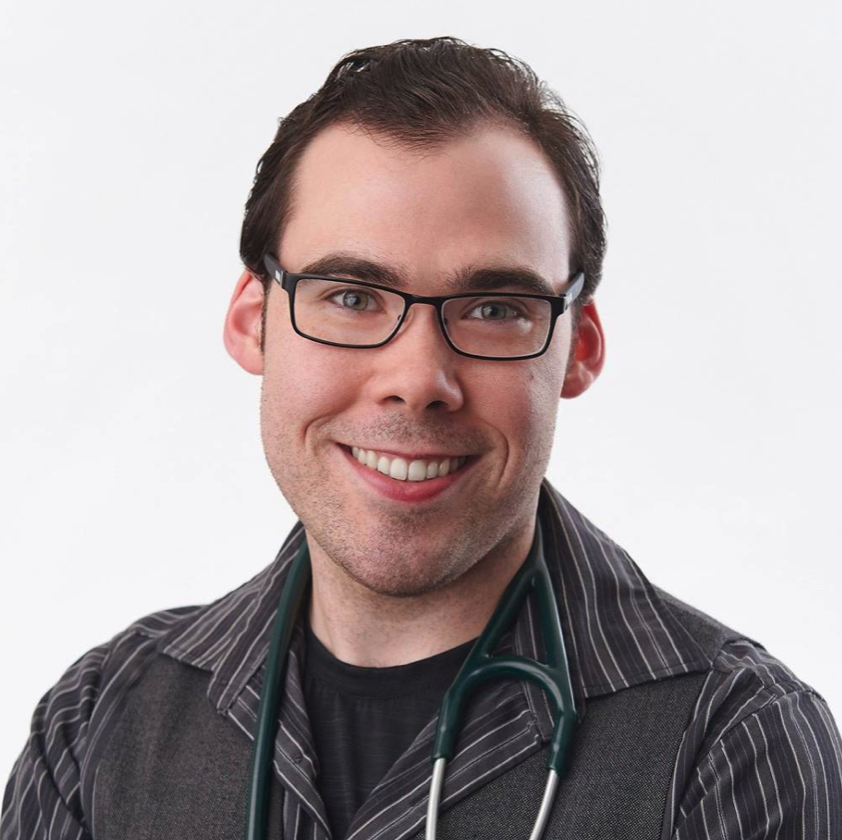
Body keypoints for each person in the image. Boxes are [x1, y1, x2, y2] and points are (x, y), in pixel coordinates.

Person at [2, 36, 841, 840]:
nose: (417, 379)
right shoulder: (98, 728)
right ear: (253, 322)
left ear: (578, 349)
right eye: (351, 296)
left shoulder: (733, 746)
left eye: (495, 309)